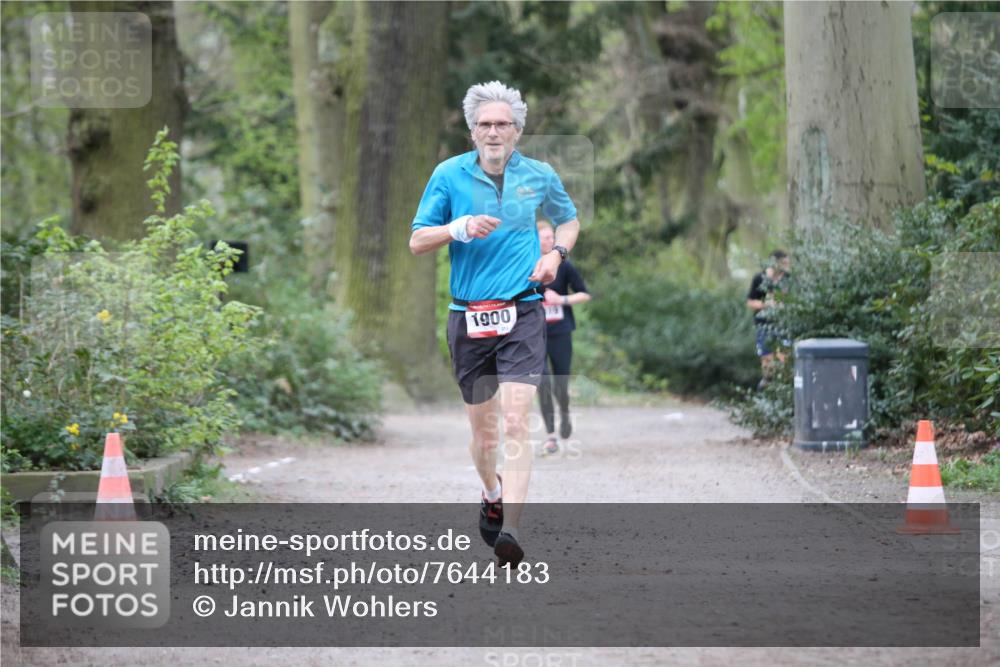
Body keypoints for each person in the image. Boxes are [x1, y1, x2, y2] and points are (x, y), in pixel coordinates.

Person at [409, 81, 580, 567]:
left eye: (502, 123)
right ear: (471, 131)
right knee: (484, 436)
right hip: (468, 316)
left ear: (518, 130)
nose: (493, 131)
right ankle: (490, 490)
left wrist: (555, 254)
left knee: (515, 421)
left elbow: (569, 221)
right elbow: (417, 240)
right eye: (484, 124)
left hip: (523, 310)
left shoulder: (539, 175)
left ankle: (511, 530)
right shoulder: (448, 175)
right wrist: (456, 228)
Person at [536, 220, 591, 455]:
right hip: (534, 333)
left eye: (552, 237)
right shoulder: (526, 264)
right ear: (535, 240)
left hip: (560, 331)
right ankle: (550, 435)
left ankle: (565, 414)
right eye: (546, 237)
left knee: (560, 383)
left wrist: (562, 300)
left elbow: (585, 294)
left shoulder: (565, 266)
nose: (550, 241)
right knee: (543, 383)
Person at [746, 249, 791, 387]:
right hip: (764, 325)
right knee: (767, 358)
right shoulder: (759, 278)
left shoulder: (788, 279)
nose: (787, 265)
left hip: (784, 325)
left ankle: (784, 388)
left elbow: (790, 299)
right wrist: (767, 304)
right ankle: (767, 385)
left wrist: (783, 302)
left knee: (784, 358)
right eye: (784, 263)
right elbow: (750, 302)